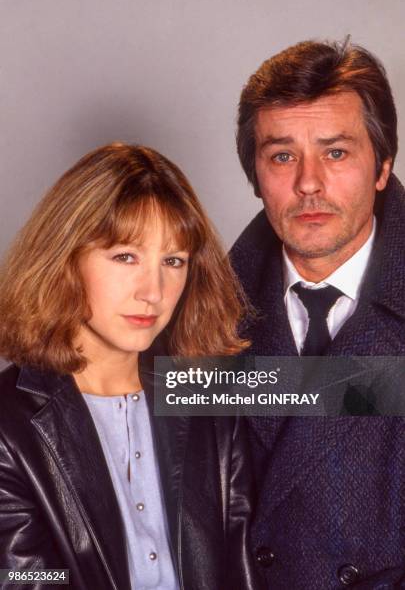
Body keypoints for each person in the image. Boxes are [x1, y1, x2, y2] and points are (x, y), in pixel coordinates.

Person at [0, 143, 261, 590]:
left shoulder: (208, 398)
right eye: (126, 257)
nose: (153, 291)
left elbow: (241, 567)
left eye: (173, 261)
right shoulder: (9, 423)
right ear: (66, 259)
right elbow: (26, 579)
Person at [231, 40, 405, 588]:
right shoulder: (191, 310)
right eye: (282, 156)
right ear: (255, 176)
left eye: (336, 153)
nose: (308, 183)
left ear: (381, 167)